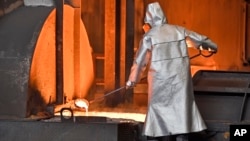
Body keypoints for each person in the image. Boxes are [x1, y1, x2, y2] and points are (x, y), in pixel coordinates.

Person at [126, 2, 217, 141]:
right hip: (180, 79)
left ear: (149, 19)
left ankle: (162, 136)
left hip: (159, 81)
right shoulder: (179, 30)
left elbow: (140, 61)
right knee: (181, 108)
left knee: (159, 109)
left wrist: (132, 80)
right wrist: (211, 47)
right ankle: (181, 136)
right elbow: (199, 39)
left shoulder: (149, 36)